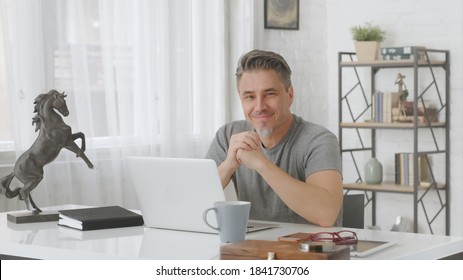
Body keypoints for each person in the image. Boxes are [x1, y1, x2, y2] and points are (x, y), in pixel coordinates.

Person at [205, 49, 342, 227]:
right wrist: (228, 165)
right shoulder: (228, 136)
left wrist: (261, 164)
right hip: (255, 248)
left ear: (290, 95)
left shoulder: (319, 140)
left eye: (270, 94)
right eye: (250, 96)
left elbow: (326, 214)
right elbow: (194, 203)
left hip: (310, 250)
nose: (259, 106)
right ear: (241, 99)